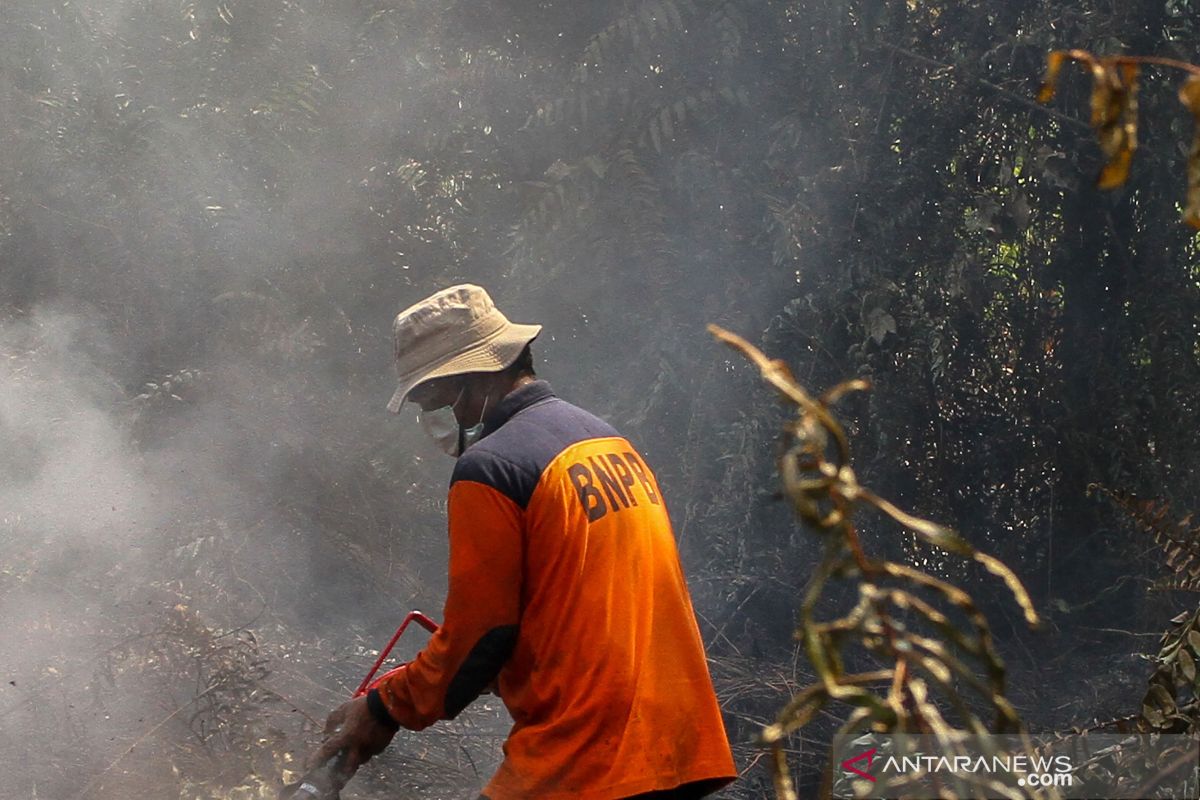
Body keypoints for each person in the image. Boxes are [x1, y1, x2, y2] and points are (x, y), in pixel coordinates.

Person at [313, 284, 736, 799]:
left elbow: (483, 634)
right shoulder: (606, 442)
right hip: (679, 745)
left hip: (588, 753)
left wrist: (382, 709)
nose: (435, 418)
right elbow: (586, 609)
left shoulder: (491, 468)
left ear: (471, 377)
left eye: (433, 399)